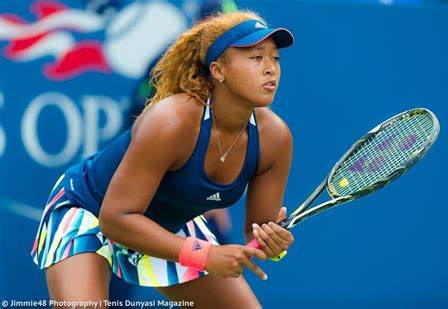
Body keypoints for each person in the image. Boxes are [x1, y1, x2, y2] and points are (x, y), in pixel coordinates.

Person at [31, 10, 295, 308]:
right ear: (218, 71)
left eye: (275, 58)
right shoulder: (171, 121)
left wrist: (274, 244)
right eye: (256, 58)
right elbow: (115, 219)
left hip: (165, 227)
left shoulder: (275, 138)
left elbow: (258, 228)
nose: (270, 69)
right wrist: (205, 254)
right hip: (90, 212)